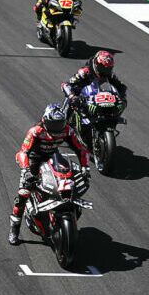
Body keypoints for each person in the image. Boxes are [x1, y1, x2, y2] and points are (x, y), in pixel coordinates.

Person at [9, 105, 91, 245]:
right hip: (34, 161)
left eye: (60, 123)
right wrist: (26, 170)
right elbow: (23, 152)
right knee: (23, 194)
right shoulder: (36, 131)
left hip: (54, 158)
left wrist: (85, 167)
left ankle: (68, 210)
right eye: (53, 124)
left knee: (70, 181)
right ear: (45, 120)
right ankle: (14, 229)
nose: (57, 127)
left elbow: (81, 149)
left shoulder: (67, 130)